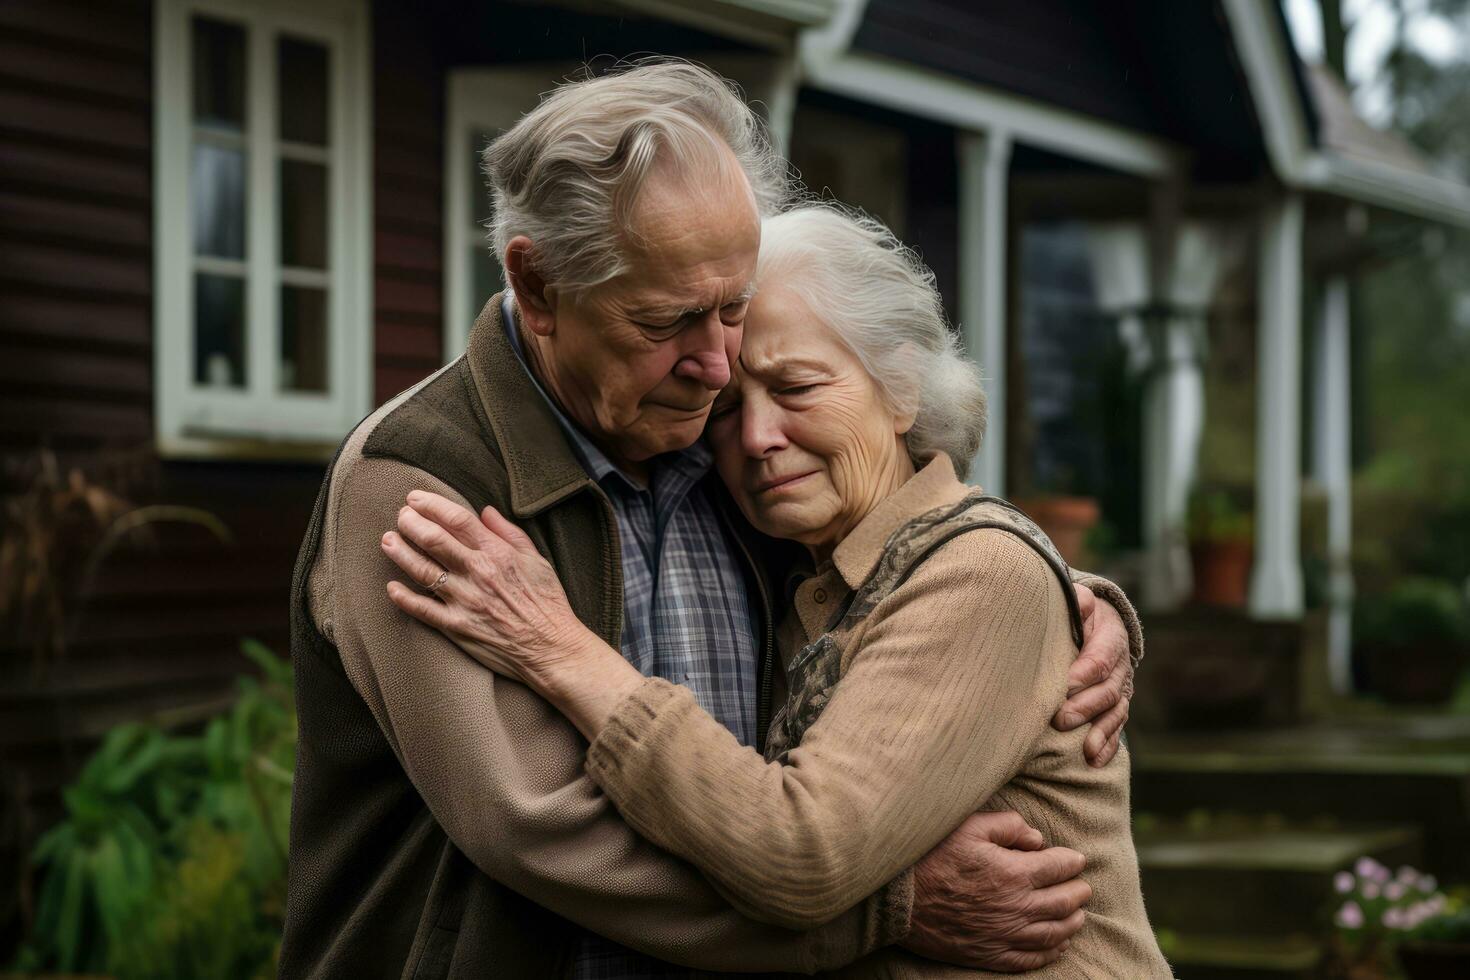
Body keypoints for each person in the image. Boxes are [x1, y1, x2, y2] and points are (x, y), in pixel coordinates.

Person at [282, 61, 1141, 979]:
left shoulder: (711, 440)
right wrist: (887, 910)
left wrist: (1063, 601)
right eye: (669, 321)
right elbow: (538, 825)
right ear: (537, 289)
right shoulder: (421, 483)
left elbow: (889, 566)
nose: (719, 365)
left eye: (733, 309)